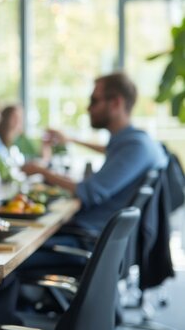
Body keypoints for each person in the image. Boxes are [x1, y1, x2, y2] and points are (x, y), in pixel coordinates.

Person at [22, 72, 167, 241]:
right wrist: (70, 139)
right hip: (94, 236)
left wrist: (41, 171)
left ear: (115, 103)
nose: (88, 108)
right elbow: (110, 149)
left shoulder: (136, 147)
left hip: (89, 239)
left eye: (94, 101)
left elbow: (89, 192)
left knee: (21, 245)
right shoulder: (136, 142)